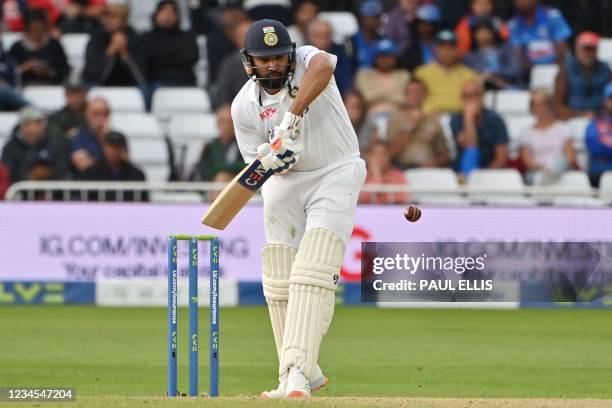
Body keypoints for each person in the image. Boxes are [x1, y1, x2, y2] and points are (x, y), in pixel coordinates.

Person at [231, 19, 365, 398]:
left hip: (336, 170)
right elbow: (253, 170)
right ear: (249, 64)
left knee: (312, 273)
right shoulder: (243, 106)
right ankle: (306, 370)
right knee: (278, 279)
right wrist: (274, 156)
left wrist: (292, 117)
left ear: (289, 55)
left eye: (277, 58)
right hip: (285, 183)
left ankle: (295, 374)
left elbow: (324, 66)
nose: (272, 66)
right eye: (263, 60)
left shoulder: (308, 61)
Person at [137, 0, 199, 106]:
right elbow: (142, 64)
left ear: (177, 16)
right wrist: (173, 55)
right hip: (155, 84)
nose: (167, 16)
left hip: (183, 83)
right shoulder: (146, 38)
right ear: (156, 15)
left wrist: (160, 57)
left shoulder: (187, 37)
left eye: (171, 13)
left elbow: (191, 58)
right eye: (163, 12)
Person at [386, 79, 450, 169]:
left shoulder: (433, 119)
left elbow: (445, 155)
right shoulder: (395, 117)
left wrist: (434, 163)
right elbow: (390, 153)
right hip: (402, 167)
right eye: (411, 93)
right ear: (405, 96)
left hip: (428, 168)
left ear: (425, 96)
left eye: (419, 92)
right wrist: (412, 125)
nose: (415, 96)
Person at [450, 80, 509, 176]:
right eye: (467, 96)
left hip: (490, 171)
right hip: (462, 170)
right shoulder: (456, 119)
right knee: (471, 153)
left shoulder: (495, 119)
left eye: (475, 95)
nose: (471, 100)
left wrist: (483, 176)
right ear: (462, 100)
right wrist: (469, 119)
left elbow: (501, 157)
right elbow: (469, 146)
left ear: (482, 97)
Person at [519, 90, 575, 184]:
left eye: (543, 104)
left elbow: (570, 157)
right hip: (537, 172)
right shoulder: (526, 132)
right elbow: (527, 161)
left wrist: (554, 169)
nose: (539, 108)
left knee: (560, 164)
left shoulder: (563, 128)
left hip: (561, 171)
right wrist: (544, 169)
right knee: (537, 178)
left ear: (550, 106)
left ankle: (550, 174)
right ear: (531, 108)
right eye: (535, 105)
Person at [82, 4, 145, 87]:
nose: (107, 21)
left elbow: (141, 80)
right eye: (105, 17)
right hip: (100, 89)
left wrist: (125, 54)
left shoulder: (136, 40)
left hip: (130, 89)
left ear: (124, 21)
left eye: (113, 17)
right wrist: (110, 51)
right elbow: (91, 76)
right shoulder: (96, 40)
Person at [415, 30, 477, 113]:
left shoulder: (469, 74)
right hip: (430, 115)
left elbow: (475, 100)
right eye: (442, 47)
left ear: (457, 49)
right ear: (435, 49)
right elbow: (414, 99)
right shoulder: (421, 73)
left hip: (459, 116)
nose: (446, 51)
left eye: (451, 47)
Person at [554, 32, 612, 120]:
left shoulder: (605, 69)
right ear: (577, 49)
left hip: (600, 116)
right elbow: (558, 103)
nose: (588, 53)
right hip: (572, 117)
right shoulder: (566, 69)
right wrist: (579, 114)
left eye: (592, 49)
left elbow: (609, 97)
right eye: (585, 49)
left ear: (597, 51)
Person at [508, 0, 571, 77]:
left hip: (556, 68)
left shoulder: (552, 15)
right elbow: (518, 54)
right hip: (530, 72)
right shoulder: (514, 24)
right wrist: (536, 72)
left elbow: (562, 47)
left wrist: (553, 69)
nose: (522, 2)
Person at [9, 8, 70, 86]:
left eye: (40, 30)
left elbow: (65, 71)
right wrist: (24, 68)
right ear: (26, 29)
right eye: (32, 30)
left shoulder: (54, 45)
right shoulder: (17, 47)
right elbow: (8, 73)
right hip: (24, 87)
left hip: (50, 87)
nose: (36, 34)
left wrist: (48, 72)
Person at [463, 17, 522, 90]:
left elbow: (516, 70)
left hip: (507, 87)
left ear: (493, 32)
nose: (483, 34)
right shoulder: (469, 57)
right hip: (479, 90)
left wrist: (492, 74)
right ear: (474, 34)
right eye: (479, 31)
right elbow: (466, 76)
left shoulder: (506, 49)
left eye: (486, 30)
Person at [191, 105, 245, 181]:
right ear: (217, 124)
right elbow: (205, 170)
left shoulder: (243, 144)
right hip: (213, 185)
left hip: (237, 184)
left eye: (229, 122)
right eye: (222, 122)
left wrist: (220, 168)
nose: (225, 126)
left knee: (222, 177)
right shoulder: (210, 146)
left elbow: (246, 167)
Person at [355, 39, 410, 112]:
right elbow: (366, 98)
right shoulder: (364, 74)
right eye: (381, 56)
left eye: (389, 56)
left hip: (399, 116)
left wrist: (378, 98)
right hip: (369, 117)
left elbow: (406, 99)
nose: (385, 59)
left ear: (396, 58)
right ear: (375, 58)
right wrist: (392, 99)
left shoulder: (404, 75)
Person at [69, 96, 118, 177]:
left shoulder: (117, 139)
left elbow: (122, 168)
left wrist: (106, 139)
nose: (100, 118)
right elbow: (85, 168)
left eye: (104, 114)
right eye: (95, 114)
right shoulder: (77, 139)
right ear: (87, 115)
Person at [1, 107, 50, 184]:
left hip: (49, 192)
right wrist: (28, 178)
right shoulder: (10, 148)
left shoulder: (50, 143)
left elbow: (59, 169)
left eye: (42, 122)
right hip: (19, 193)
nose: (42, 126)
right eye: (37, 122)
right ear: (25, 125)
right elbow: (8, 175)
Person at [306, 19, 353, 96]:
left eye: (327, 35)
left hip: (338, 96)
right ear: (311, 36)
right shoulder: (303, 53)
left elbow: (346, 80)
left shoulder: (341, 53)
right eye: (320, 35)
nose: (324, 38)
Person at [213, 20, 252, 108]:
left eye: (251, 36)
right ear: (236, 39)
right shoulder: (229, 62)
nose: (247, 39)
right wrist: (226, 107)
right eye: (243, 36)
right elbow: (223, 91)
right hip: (238, 108)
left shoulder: (271, 58)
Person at [585, 83, 612, 187]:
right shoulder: (594, 123)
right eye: (611, 99)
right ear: (605, 100)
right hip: (599, 171)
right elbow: (594, 148)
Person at [403, 3, 441, 72]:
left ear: (435, 25)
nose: (424, 27)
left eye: (428, 24)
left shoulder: (443, 45)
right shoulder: (411, 50)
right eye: (421, 23)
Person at [350, 0, 386, 69]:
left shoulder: (384, 41)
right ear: (364, 18)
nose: (378, 21)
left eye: (379, 17)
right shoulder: (352, 41)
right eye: (374, 17)